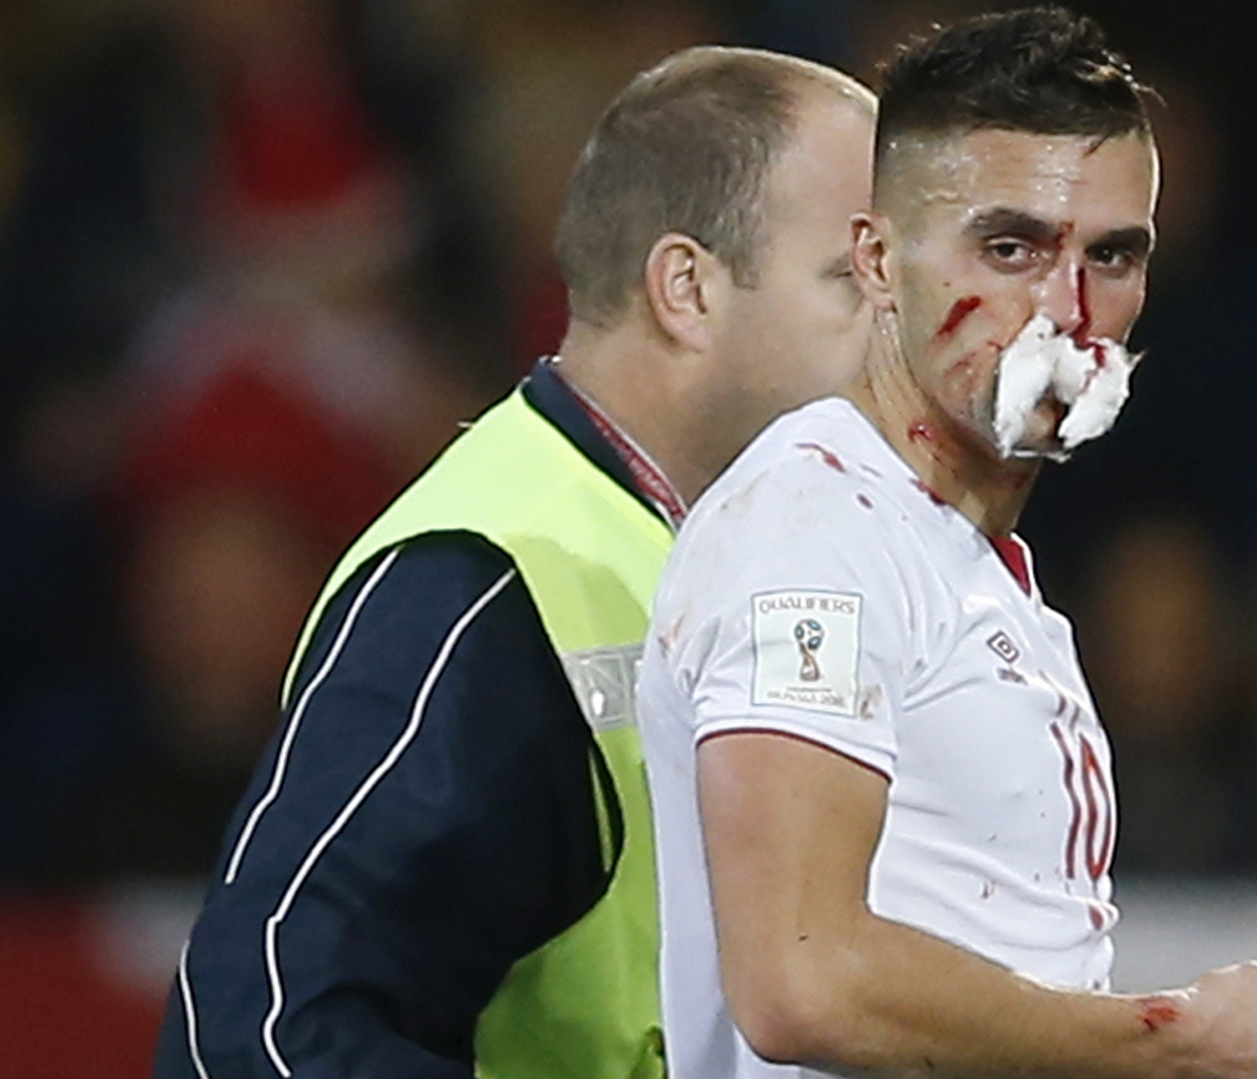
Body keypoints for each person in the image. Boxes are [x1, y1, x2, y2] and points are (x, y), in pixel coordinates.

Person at [638, 9, 1257, 1079]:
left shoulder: (971, 568)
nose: (1068, 310)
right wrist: (1171, 1041)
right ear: (880, 258)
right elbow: (802, 980)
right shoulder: (815, 533)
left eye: (1113, 255)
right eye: (1012, 246)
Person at [157, 46, 877, 1079]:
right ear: (687, 289)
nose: (895, 332)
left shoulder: (744, 553)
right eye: (851, 279)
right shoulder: (484, 578)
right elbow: (260, 1032)